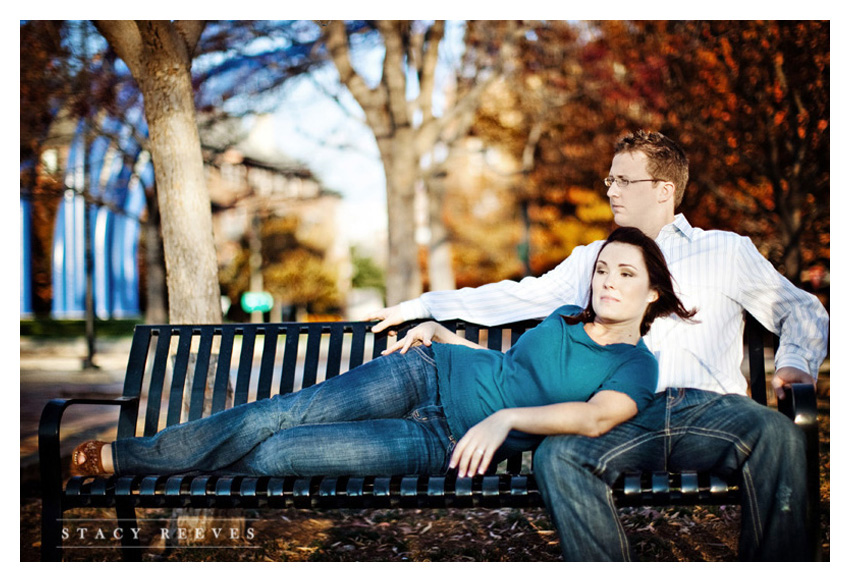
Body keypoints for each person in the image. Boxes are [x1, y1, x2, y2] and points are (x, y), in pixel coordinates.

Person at [367, 130, 829, 561]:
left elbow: (801, 309)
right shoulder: (593, 259)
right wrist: (423, 304)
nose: (611, 191)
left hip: (706, 414)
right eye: (611, 180)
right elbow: (518, 294)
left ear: (664, 189)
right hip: (620, 415)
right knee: (557, 456)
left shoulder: (726, 251)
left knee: (778, 434)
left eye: (624, 180)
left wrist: (794, 365)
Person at [70, 226, 695, 481]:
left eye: (626, 275)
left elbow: (592, 419)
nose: (608, 282)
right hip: (422, 372)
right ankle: (126, 459)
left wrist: (505, 421)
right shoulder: (563, 317)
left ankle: (183, 457)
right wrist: (442, 334)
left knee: (278, 455)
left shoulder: (636, 365)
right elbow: (506, 368)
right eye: (603, 270)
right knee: (273, 416)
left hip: (443, 445)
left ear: (654, 290)